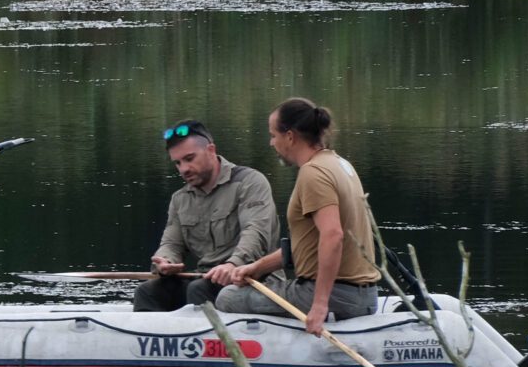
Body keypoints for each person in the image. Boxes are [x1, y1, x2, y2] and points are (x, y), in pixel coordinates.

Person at [206, 97, 382, 335]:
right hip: (366, 294)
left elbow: (332, 235)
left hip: (337, 296)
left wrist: (320, 306)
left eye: (273, 135)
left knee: (228, 297)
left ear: (290, 136)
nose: (271, 143)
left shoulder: (313, 173)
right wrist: (257, 267)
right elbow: (308, 245)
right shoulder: (340, 164)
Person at [132, 120, 278, 311]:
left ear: (210, 150)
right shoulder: (180, 199)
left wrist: (233, 263)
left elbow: (256, 233)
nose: (183, 169)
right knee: (147, 291)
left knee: (199, 290)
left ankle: (208, 340)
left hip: (254, 279)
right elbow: (172, 243)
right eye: (178, 163)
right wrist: (165, 261)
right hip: (203, 279)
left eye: (190, 158)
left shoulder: (250, 183)